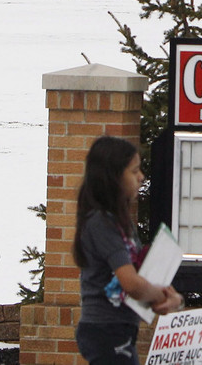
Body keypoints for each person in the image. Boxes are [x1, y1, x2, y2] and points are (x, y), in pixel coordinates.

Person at [73, 136, 183, 364]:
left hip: (119, 330)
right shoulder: (100, 223)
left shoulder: (121, 223)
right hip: (104, 330)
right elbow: (131, 283)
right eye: (134, 171)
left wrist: (172, 299)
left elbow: (142, 277)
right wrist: (160, 296)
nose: (141, 177)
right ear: (112, 178)